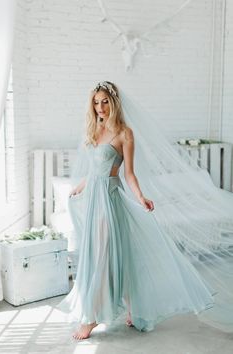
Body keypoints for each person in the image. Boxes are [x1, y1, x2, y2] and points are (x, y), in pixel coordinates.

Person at [57, 81, 228, 340]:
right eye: (96, 102)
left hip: (110, 199)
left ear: (113, 103)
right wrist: (80, 187)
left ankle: (91, 318)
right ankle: (132, 308)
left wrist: (141, 197)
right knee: (105, 254)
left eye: (104, 101)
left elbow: (129, 174)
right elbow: (94, 171)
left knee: (106, 255)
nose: (100, 107)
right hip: (93, 198)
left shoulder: (125, 133)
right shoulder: (96, 131)